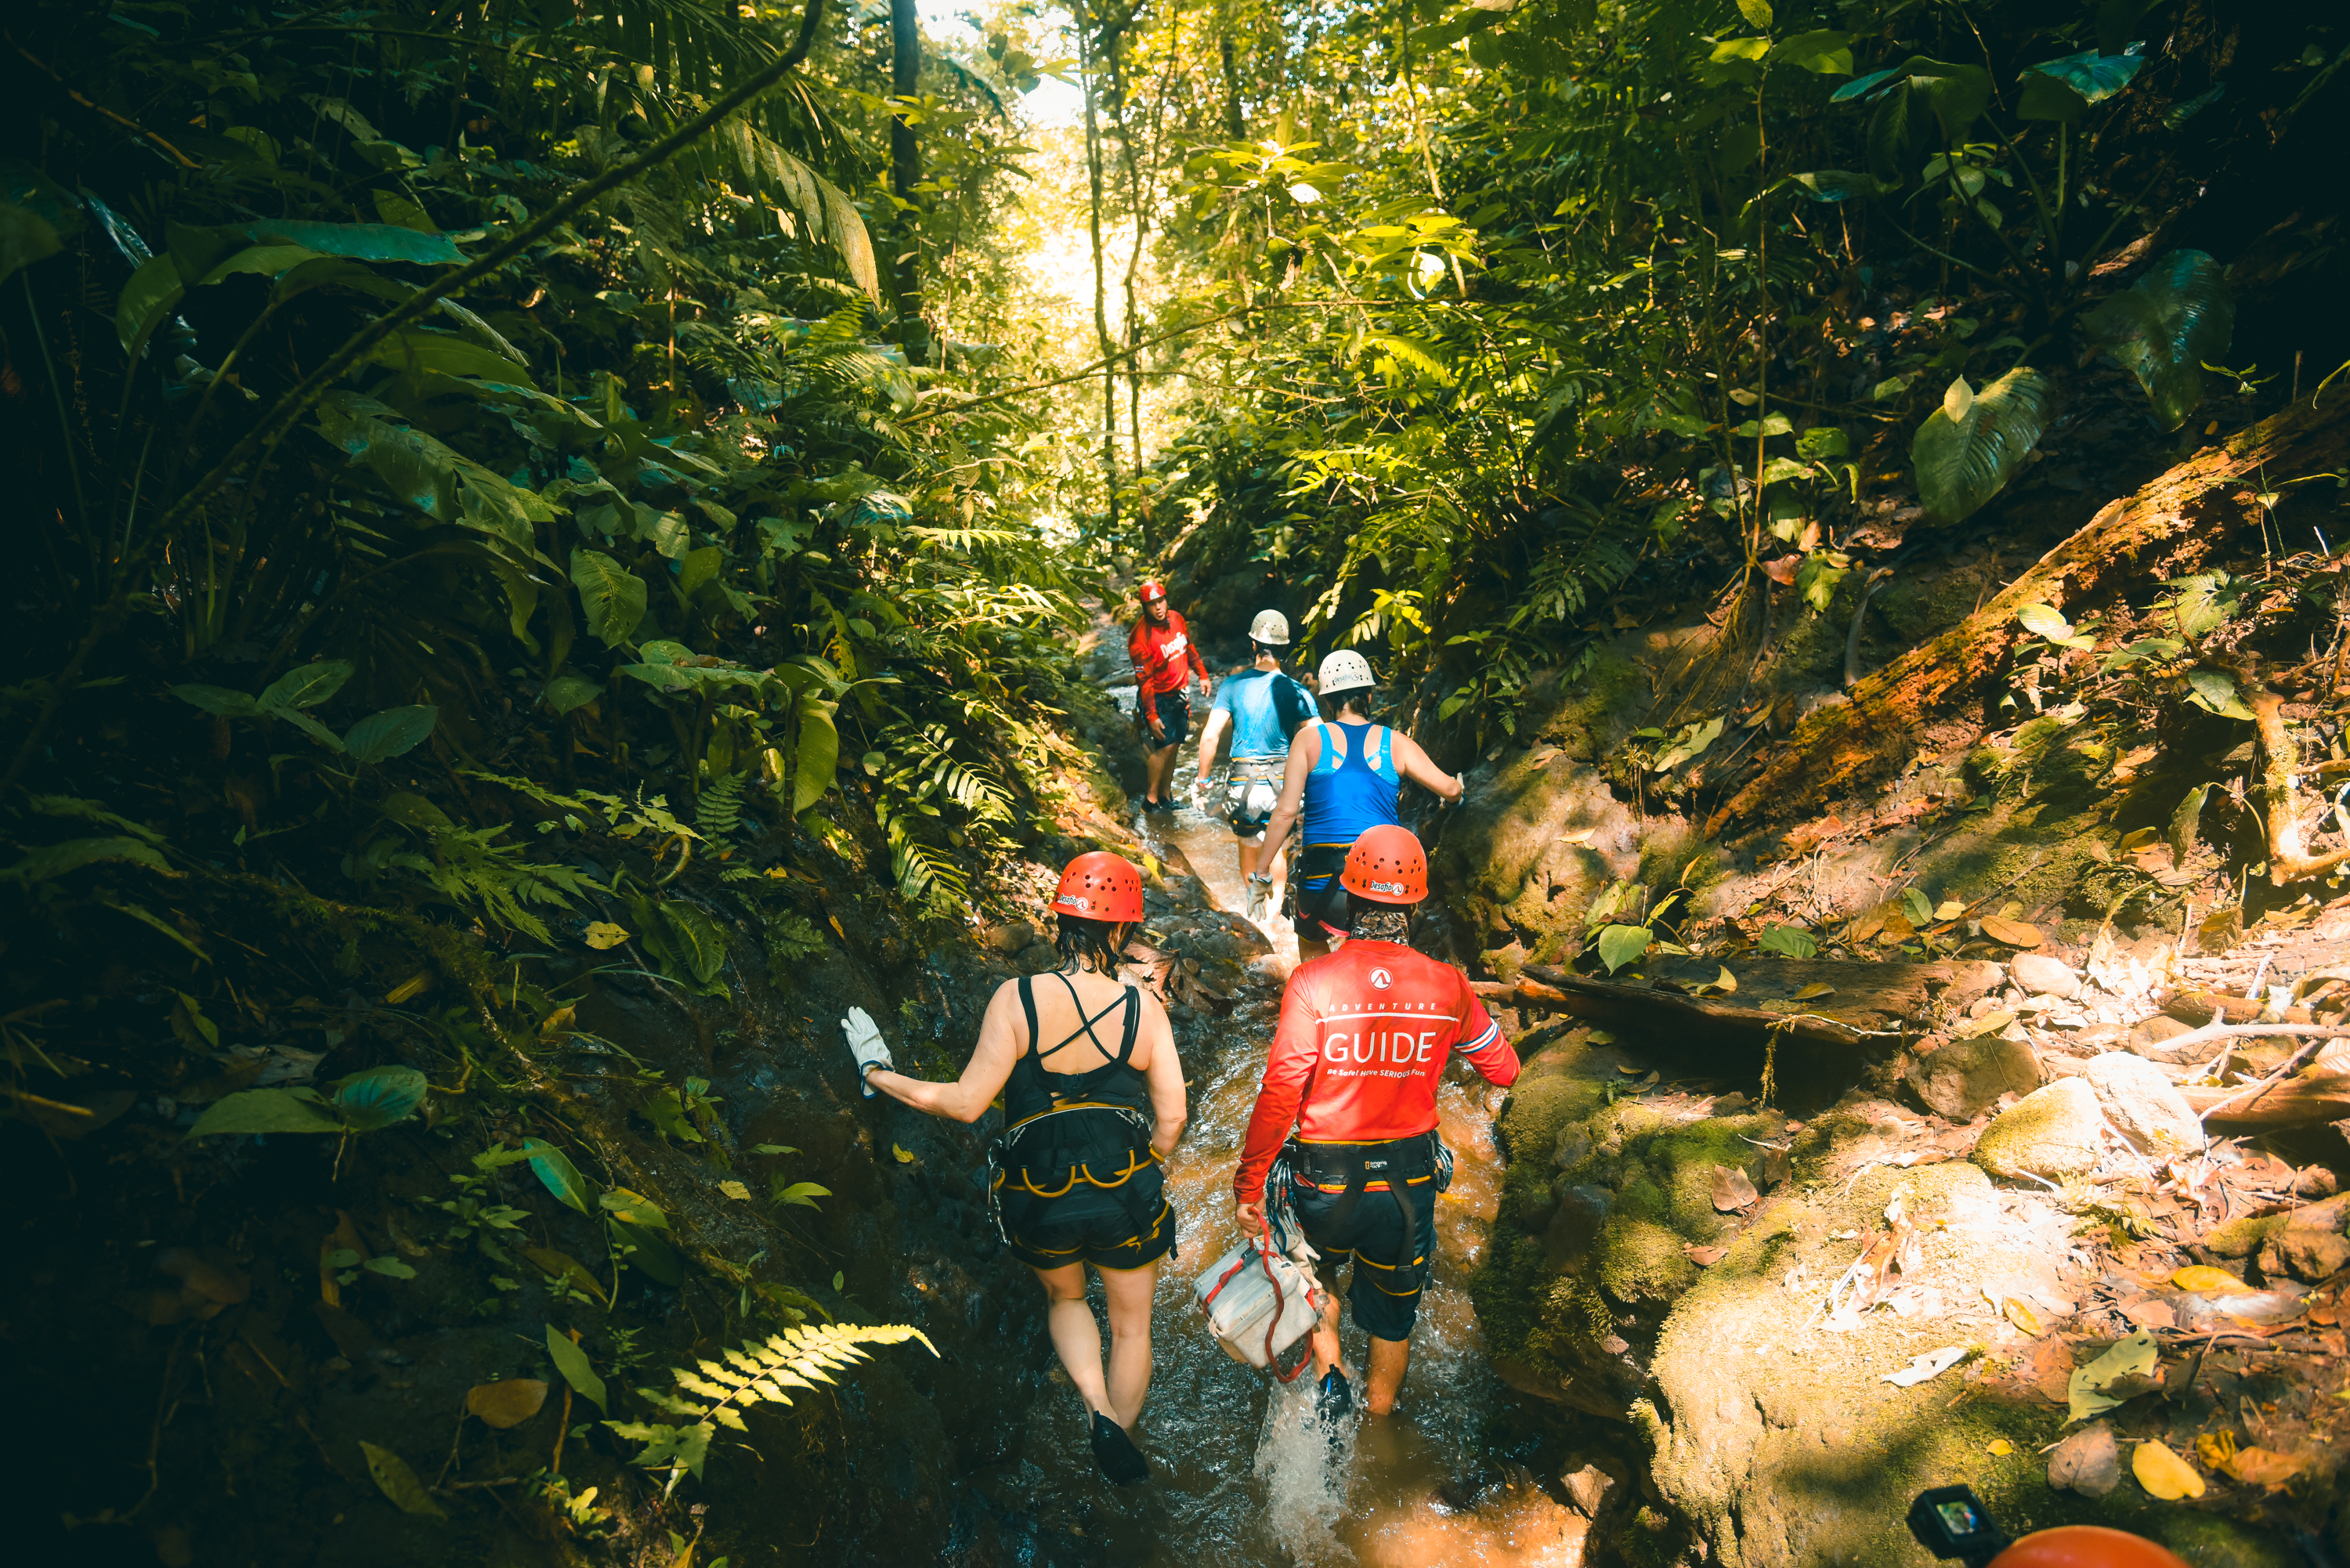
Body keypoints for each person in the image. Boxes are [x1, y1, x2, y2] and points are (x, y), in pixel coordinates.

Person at [842, 851, 1188, 1485]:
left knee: (1067, 1298)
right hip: (1123, 1190)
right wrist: (1141, 1168)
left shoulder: (1017, 998)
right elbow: (1171, 1120)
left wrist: (876, 1072)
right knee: (1133, 1329)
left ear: (1060, 919)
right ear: (1122, 932)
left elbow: (967, 1103)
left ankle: (1095, 1411)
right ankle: (1116, 1446)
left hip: (1039, 1189)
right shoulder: (1146, 1013)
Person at [1230, 825, 1520, 1418]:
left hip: (1323, 1182)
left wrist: (1249, 1184)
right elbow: (1505, 1070)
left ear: (1348, 896)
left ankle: (1332, 1380)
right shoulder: (1448, 985)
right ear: (1417, 902)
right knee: (1392, 1315)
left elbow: (1281, 1090)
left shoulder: (1312, 982)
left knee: (1318, 1274)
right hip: (1408, 1185)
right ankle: (1379, 1426)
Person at [1256, 649, 1464, 960]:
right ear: (1368, 697)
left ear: (1328, 702)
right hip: (1386, 880)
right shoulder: (1394, 742)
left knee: (1312, 945)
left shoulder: (1308, 740)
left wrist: (1262, 875)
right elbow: (1448, 788)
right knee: (1382, 961)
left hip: (1324, 882)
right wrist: (1458, 794)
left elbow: (1286, 812)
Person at [1190, 609, 1318, 923]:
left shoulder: (1232, 686)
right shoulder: (1297, 691)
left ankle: (1254, 918)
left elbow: (1210, 738)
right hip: (1282, 786)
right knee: (1279, 848)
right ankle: (1274, 922)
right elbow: (1321, 739)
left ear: (1253, 645)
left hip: (1242, 788)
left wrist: (1203, 782)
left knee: (1249, 844)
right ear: (1285, 649)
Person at [1126, 580, 1211, 814]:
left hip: (1180, 693)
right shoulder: (1140, 638)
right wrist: (1151, 716)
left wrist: (1202, 674)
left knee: (1174, 746)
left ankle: (1165, 796)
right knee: (1164, 746)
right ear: (1144, 607)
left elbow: (1188, 647)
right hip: (1158, 697)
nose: (1159, 608)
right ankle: (1150, 800)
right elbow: (1144, 682)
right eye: (1152, 604)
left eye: (1161, 601)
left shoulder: (1177, 619)